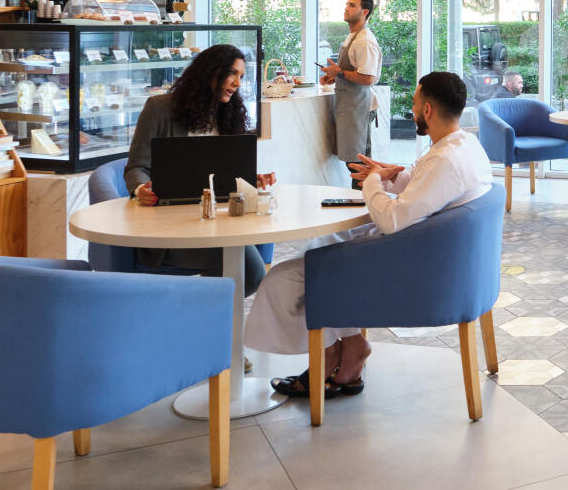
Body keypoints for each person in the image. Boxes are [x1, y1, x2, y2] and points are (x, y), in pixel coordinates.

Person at [245, 71, 492, 399]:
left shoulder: (446, 160)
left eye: (415, 103)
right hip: (432, 255)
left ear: (428, 110)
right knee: (320, 248)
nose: (412, 109)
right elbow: (428, 187)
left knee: (284, 279)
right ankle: (351, 346)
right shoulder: (463, 145)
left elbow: (392, 220)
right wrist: (389, 176)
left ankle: (329, 355)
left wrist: (373, 182)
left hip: (416, 269)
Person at [125, 44, 274, 295]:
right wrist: (141, 189)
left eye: (241, 76)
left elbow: (225, 172)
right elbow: (136, 167)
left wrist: (249, 179)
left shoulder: (229, 114)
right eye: (232, 73)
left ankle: (201, 314)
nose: (237, 83)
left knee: (251, 260)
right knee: (252, 273)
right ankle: (200, 313)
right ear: (210, 72)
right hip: (173, 228)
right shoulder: (159, 108)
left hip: (220, 221)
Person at [319, 0, 381, 163]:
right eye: (347, 4)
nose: (346, 8)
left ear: (365, 12)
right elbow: (354, 70)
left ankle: (369, 183)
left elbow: (368, 78)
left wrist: (339, 73)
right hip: (351, 106)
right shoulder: (353, 36)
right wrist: (334, 77)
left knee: (359, 162)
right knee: (352, 160)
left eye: (352, 5)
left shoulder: (364, 41)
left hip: (360, 107)